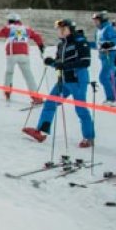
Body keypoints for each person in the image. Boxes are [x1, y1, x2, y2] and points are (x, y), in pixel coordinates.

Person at [23, 19, 94, 148]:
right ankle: (41, 131)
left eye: (63, 29)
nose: (60, 31)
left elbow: (85, 62)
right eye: (59, 29)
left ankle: (88, 137)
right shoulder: (61, 45)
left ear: (70, 30)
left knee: (80, 109)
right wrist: (51, 62)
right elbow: (59, 63)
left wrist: (64, 65)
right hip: (63, 81)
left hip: (77, 80)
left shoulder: (80, 42)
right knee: (50, 103)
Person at [0, 13, 45, 105]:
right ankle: (36, 97)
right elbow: (37, 36)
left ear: (9, 21)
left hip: (12, 55)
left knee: (9, 73)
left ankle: (7, 92)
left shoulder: (8, 28)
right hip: (24, 55)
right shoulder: (27, 29)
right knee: (29, 76)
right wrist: (41, 46)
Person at [91, 11, 116, 105]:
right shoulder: (98, 31)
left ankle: (111, 99)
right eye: (94, 20)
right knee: (111, 77)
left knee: (103, 77)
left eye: (97, 20)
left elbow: (115, 39)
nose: (95, 22)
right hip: (103, 57)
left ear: (102, 20)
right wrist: (86, 43)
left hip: (110, 55)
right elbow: (97, 44)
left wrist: (110, 43)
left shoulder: (108, 28)